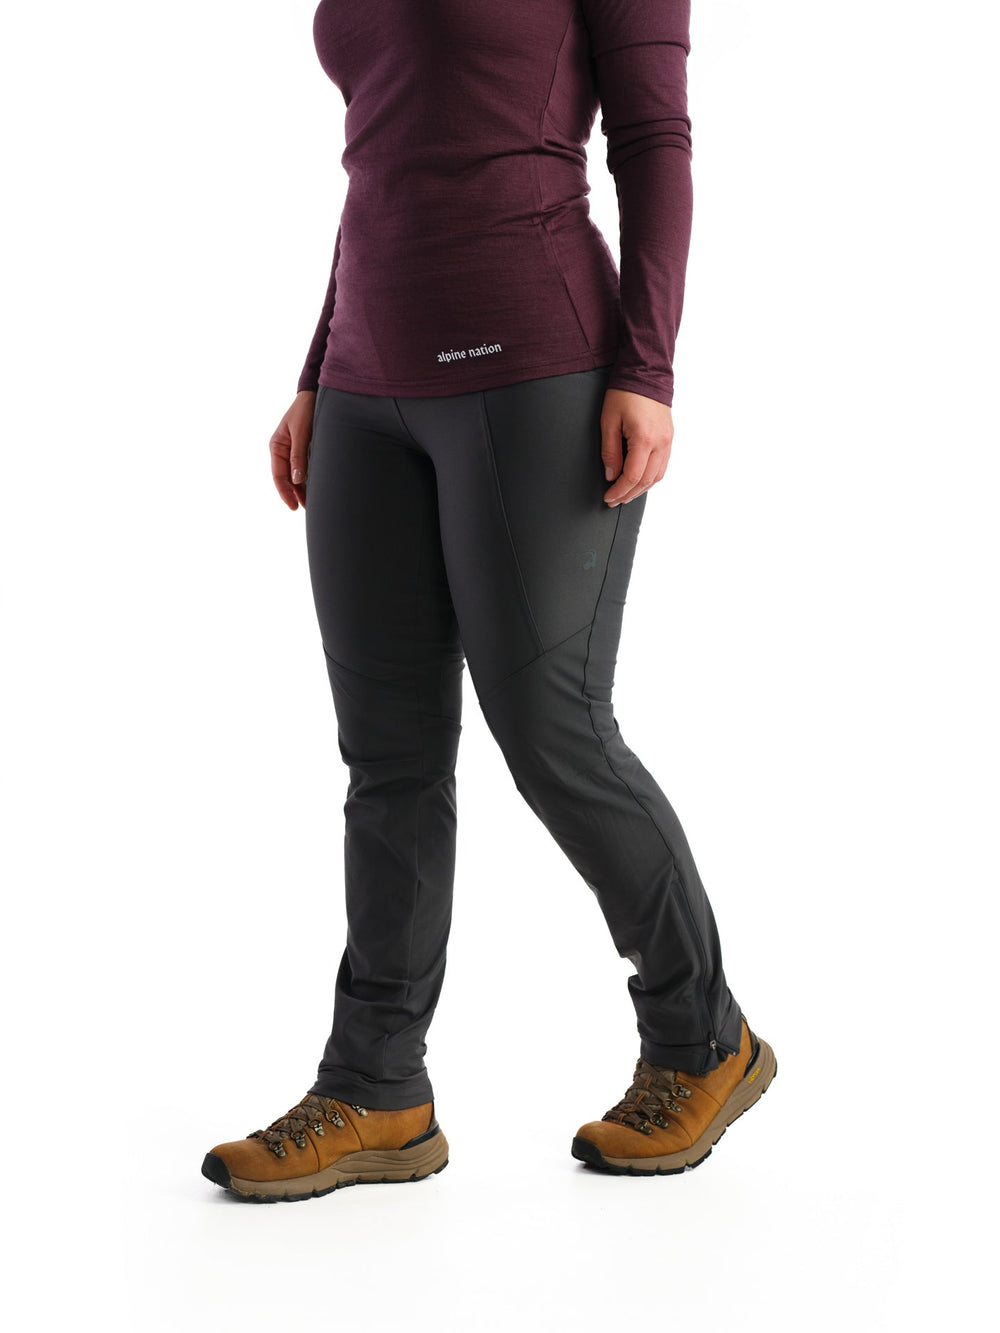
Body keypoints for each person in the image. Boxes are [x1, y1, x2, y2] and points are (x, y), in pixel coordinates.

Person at [202, 0, 776, 1203]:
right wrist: (317, 369)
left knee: (554, 729)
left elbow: (654, 142)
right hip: (365, 386)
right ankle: (375, 1085)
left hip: (535, 365)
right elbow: (385, 157)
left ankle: (700, 1039)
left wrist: (647, 367)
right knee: (388, 757)